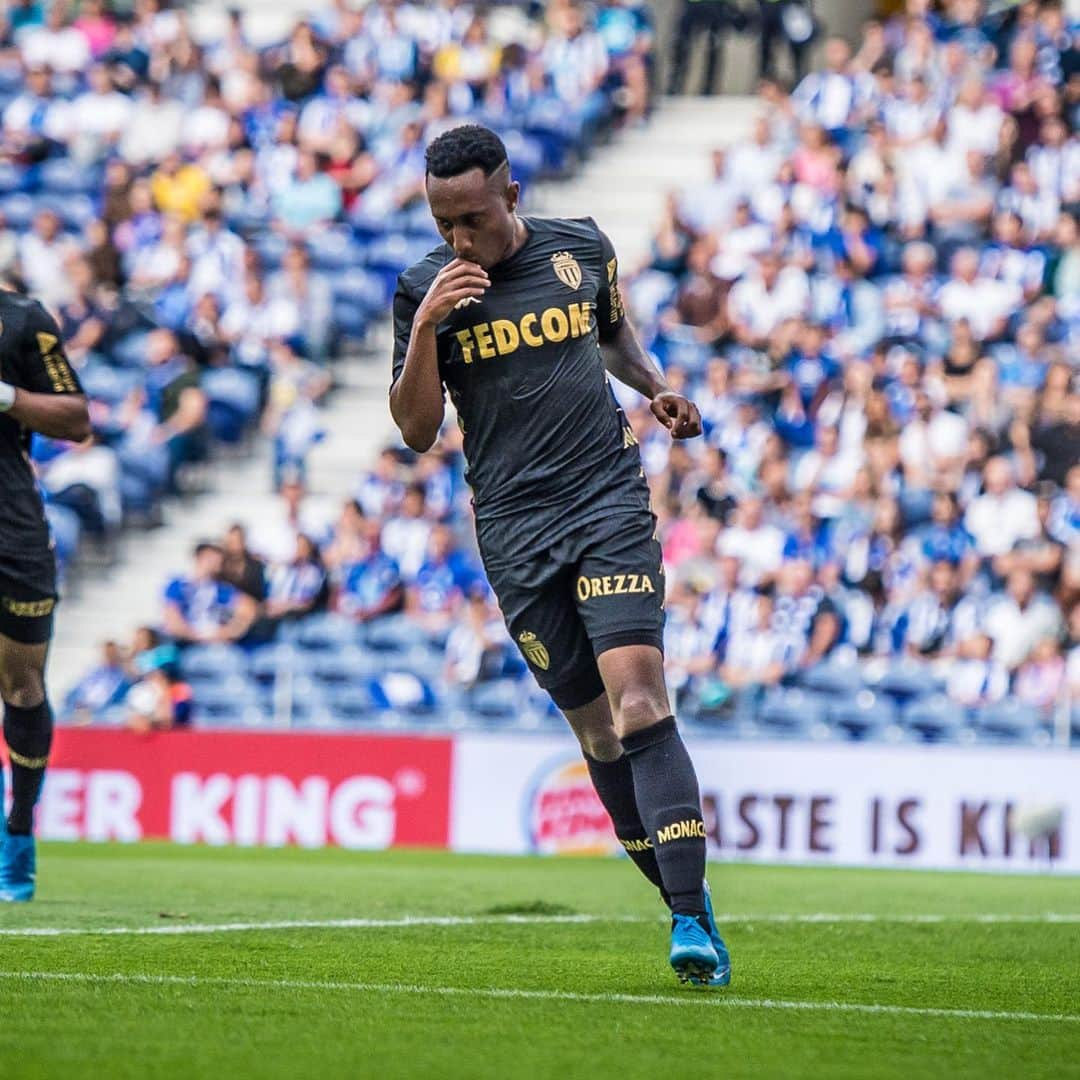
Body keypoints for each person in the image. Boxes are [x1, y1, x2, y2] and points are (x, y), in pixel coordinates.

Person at [389, 125, 729, 987]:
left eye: (471, 218)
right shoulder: (423, 290)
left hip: (604, 501)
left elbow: (612, 336)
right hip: (512, 529)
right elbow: (418, 429)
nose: (458, 239)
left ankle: (688, 920)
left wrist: (656, 390)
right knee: (595, 731)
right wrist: (428, 328)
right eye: (442, 224)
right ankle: (689, 902)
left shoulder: (581, 248)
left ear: (510, 194)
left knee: (640, 700)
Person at [0, 285, 91, 902]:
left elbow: (76, 418)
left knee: (21, 686)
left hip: (11, 529)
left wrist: (5, 396)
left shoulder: (21, 320)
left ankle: (19, 831)